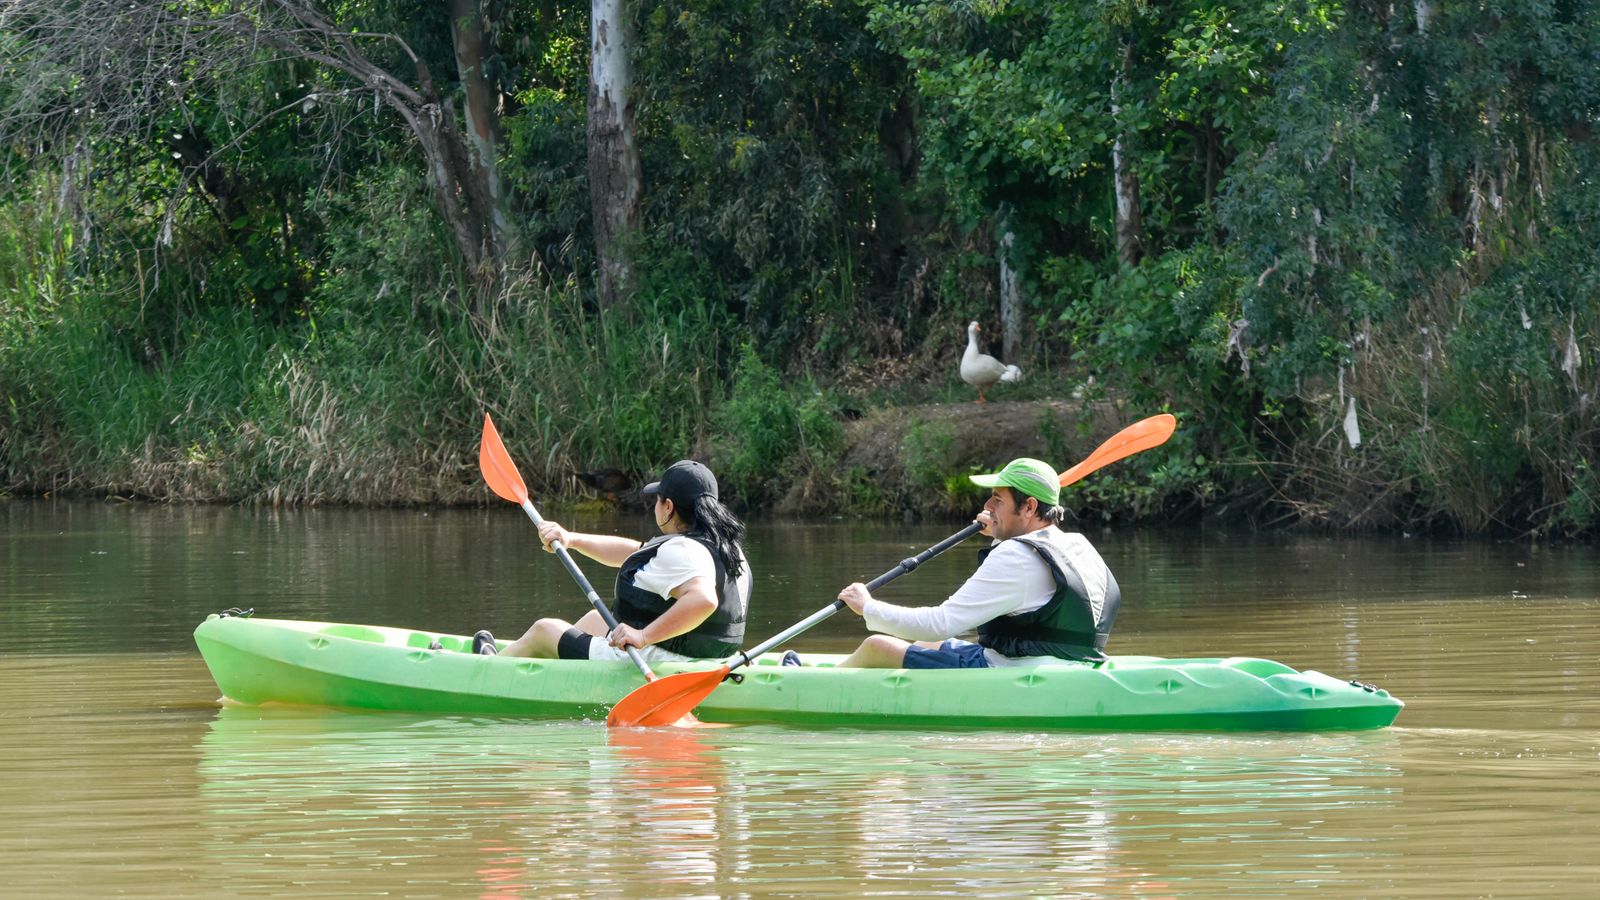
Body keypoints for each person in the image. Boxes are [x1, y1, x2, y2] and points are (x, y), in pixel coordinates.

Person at [831, 457, 1119, 669]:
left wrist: (867, 606)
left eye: (997, 500)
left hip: (1014, 673)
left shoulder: (1016, 556)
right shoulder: (1078, 545)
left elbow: (939, 623)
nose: (987, 508)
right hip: (1070, 664)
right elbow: (1027, 592)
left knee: (877, 646)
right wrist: (999, 532)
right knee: (924, 645)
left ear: (1029, 507)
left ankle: (814, 686)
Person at [486, 460, 752, 662]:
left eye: (657, 499)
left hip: (665, 663)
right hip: (716, 660)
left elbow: (703, 600)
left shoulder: (683, 550)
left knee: (544, 629)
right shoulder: (727, 548)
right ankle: (545, 668)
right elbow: (633, 553)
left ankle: (490, 670)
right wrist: (571, 539)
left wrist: (643, 636)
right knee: (595, 620)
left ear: (668, 507)